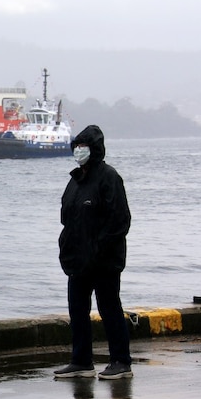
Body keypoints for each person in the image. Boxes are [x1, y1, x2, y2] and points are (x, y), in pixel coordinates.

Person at [55, 125, 133, 380]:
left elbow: (120, 221)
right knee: (77, 310)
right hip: (77, 261)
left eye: (83, 147)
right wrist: (66, 249)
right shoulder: (74, 181)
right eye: (76, 147)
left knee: (109, 308)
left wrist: (98, 250)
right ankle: (81, 361)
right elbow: (67, 220)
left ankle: (121, 361)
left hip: (104, 261)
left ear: (95, 149)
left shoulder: (110, 178)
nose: (78, 151)